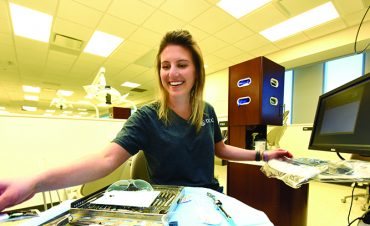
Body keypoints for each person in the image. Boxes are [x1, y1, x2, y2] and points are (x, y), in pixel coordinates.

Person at [0, 29, 292, 212]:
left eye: (181, 65)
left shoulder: (208, 110)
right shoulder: (147, 116)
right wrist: (35, 183)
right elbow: (104, 159)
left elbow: (221, 150)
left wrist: (264, 154)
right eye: (165, 66)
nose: (172, 73)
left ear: (196, 71)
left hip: (208, 200)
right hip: (169, 206)